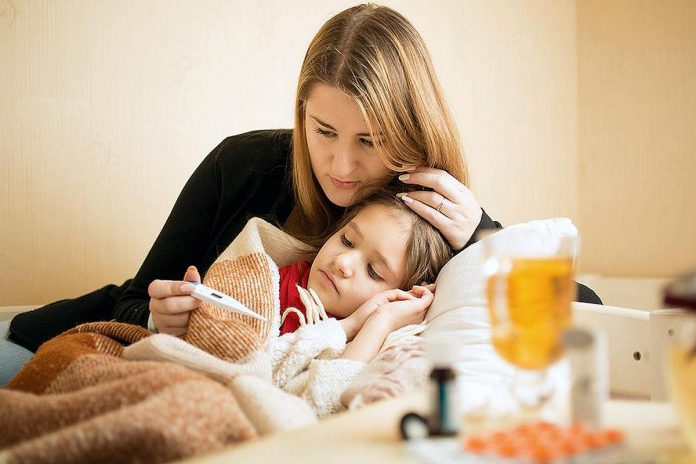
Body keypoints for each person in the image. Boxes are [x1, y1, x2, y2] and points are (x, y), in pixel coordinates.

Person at [1, 4, 601, 386]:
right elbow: (132, 300)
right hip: (64, 335)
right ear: (302, 115)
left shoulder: (433, 221)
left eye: (370, 139)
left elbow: (591, 312)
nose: (341, 165)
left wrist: (481, 238)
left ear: (410, 135)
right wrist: (159, 314)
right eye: (323, 132)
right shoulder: (244, 164)